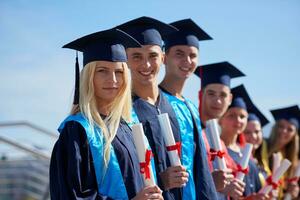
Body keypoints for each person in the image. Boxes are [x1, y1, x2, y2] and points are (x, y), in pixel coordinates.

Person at [49, 28, 163, 200]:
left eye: (119, 72)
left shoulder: (128, 125)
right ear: (88, 77)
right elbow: (71, 195)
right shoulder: (78, 130)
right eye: (102, 71)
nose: (113, 80)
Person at [116, 16, 190, 200]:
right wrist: (161, 180)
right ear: (125, 60)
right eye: (137, 56)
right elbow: (120, 173)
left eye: (153, 56)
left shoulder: (177, 109)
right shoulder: (122, 112)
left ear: (163, 58)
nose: (146, 64)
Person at [159, 18, 218, 199]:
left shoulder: (190, 107)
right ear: (164, 57)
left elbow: (200, 164)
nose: (187, 60)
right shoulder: (153, 102)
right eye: (179, 53)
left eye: (193, 55)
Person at [194, 62, 247, 199]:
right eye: (211, 94)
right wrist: (212, 183)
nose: (217, 101)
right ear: (201, 95)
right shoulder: (192, 131)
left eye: (223, 95)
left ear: (230, 99)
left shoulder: (219, 140)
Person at [219, 84, 269, 199]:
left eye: (242, 116)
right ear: (221, 119)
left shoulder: (246, 153)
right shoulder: (216, 151)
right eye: (231, 115)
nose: (238, 120)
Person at [268, 105, 300, 199]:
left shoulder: (294, 162)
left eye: (290, 129)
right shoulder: (261, 149)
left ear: (294, 135)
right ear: (275, 127)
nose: (284, 131)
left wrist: (294, 194)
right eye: (281, 126)